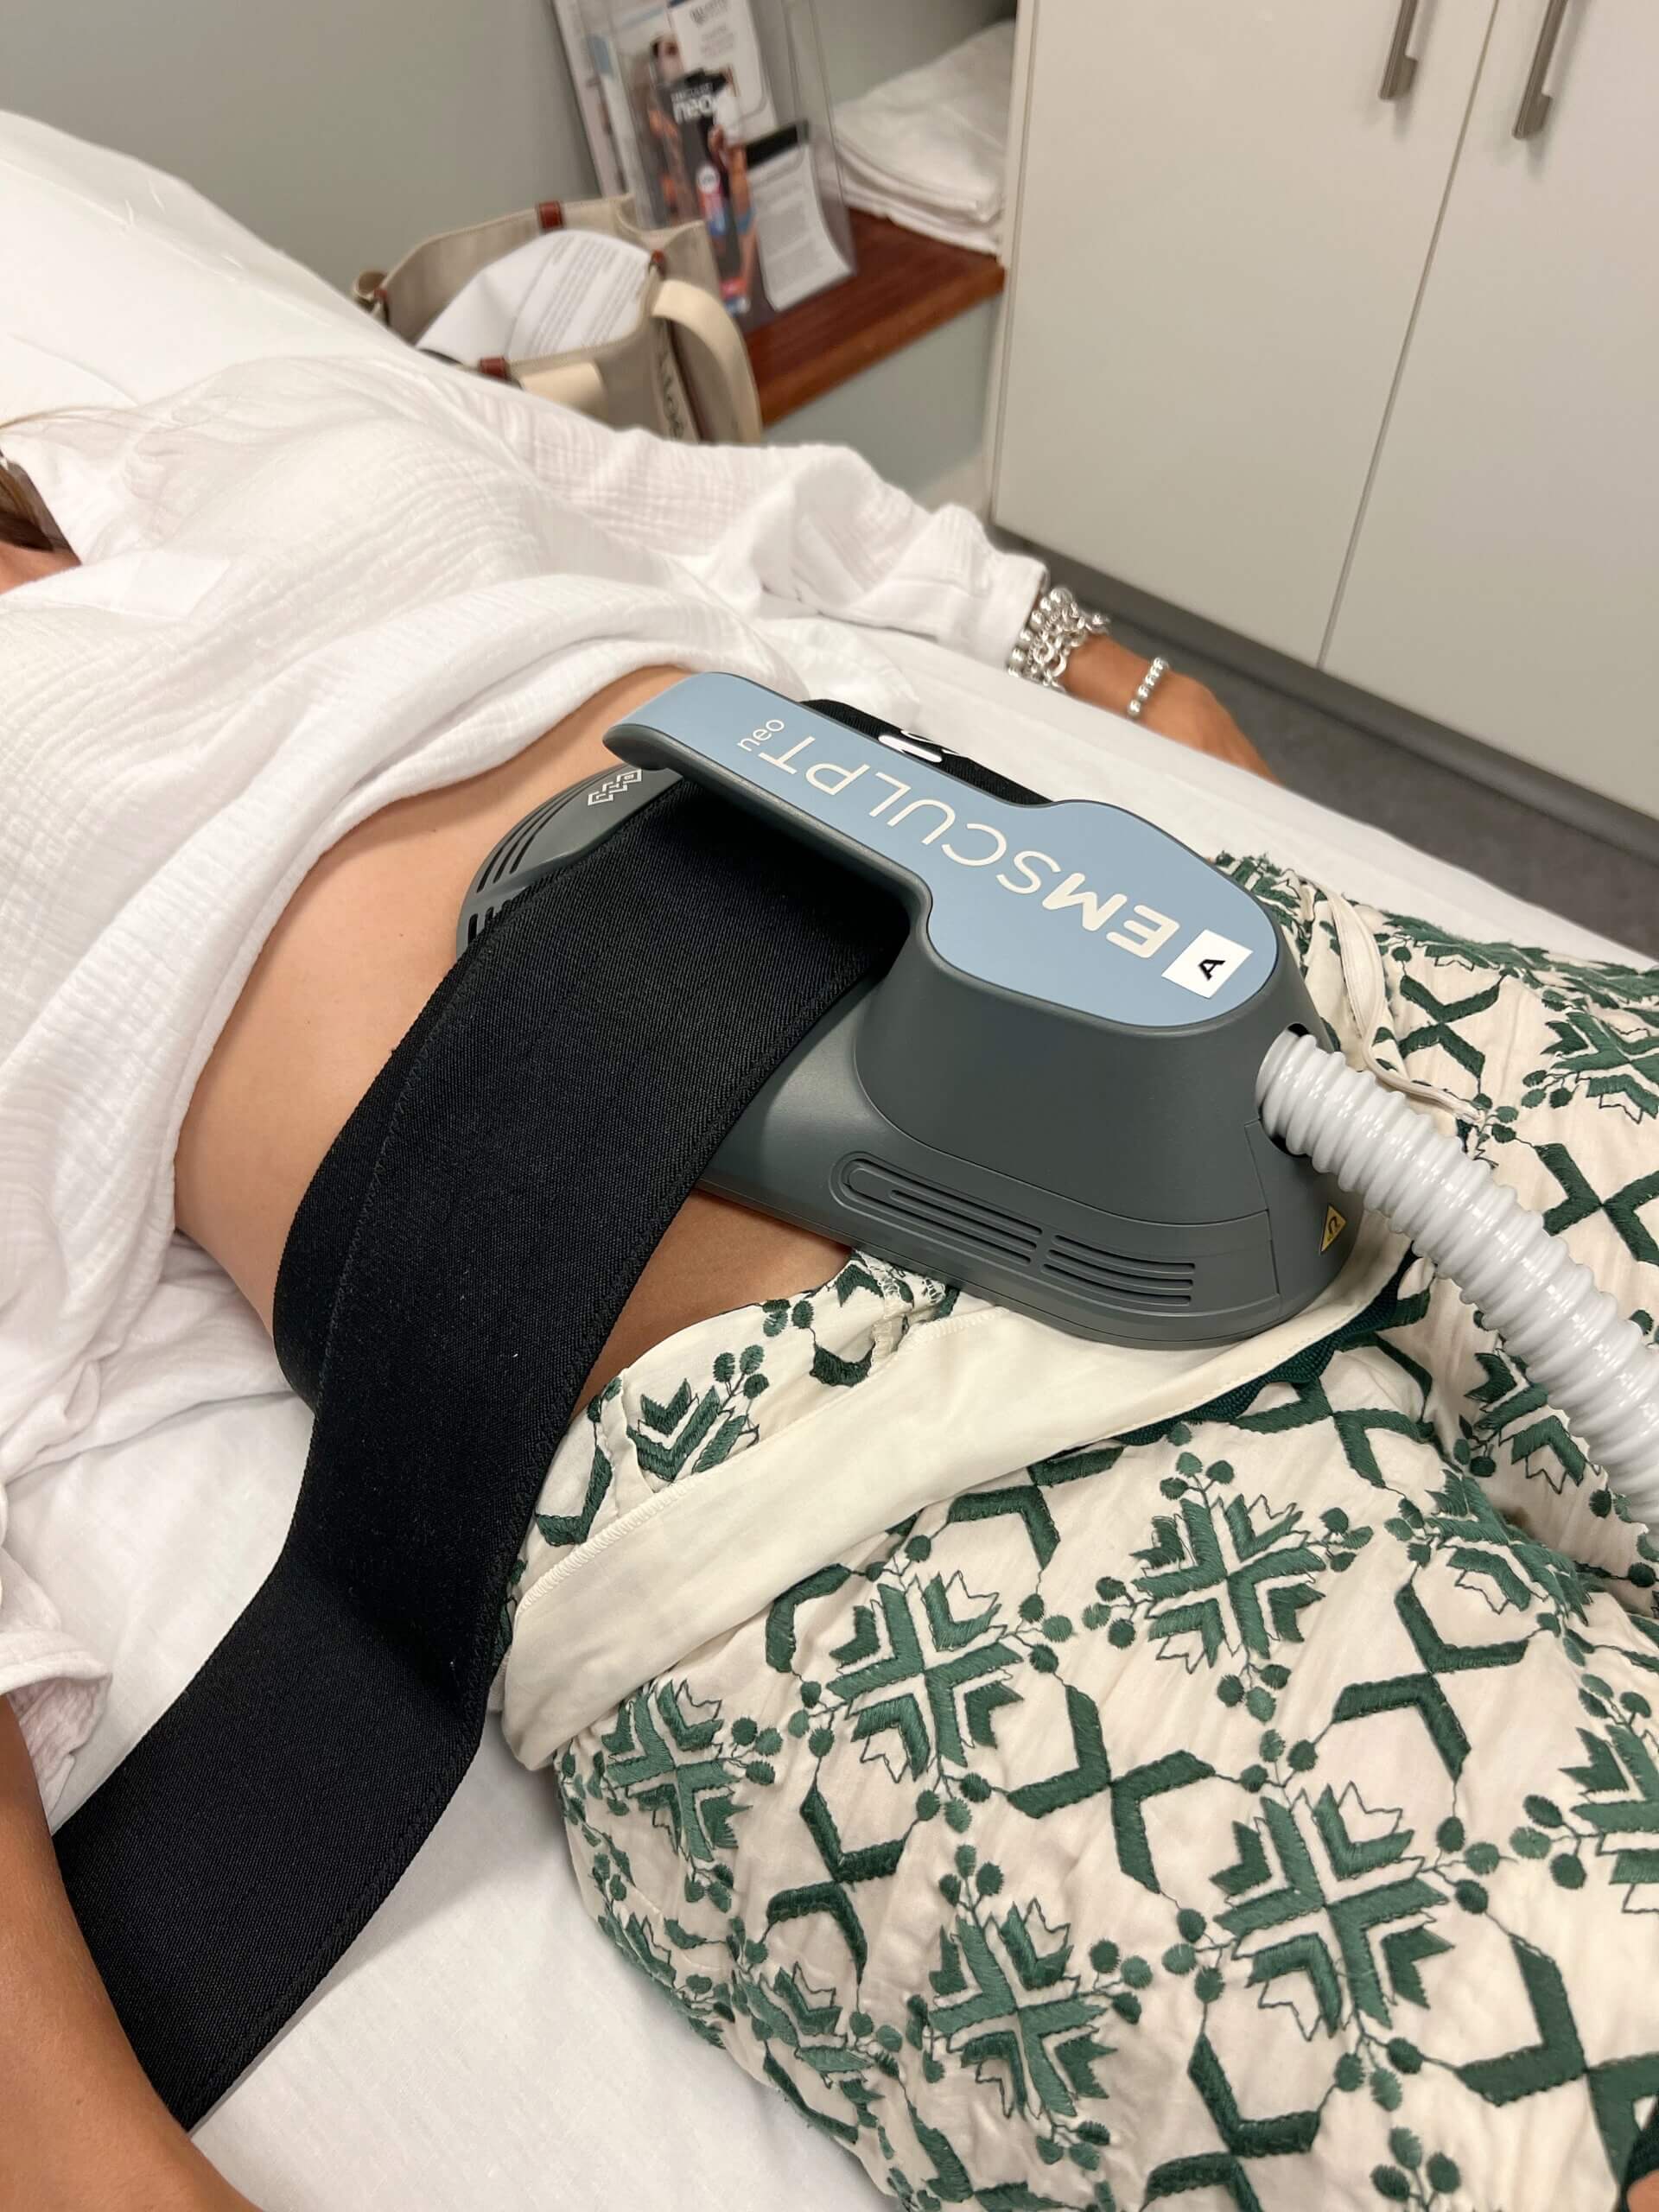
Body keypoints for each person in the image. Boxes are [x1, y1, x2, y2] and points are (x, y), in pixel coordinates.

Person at [7, 369, 1656, 2212]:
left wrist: (1128, 683)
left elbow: (756, 513)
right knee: (1573, 2069)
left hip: (1233, 1004)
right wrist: (96, 2169)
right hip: (845, 1465)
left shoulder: (222, 417)